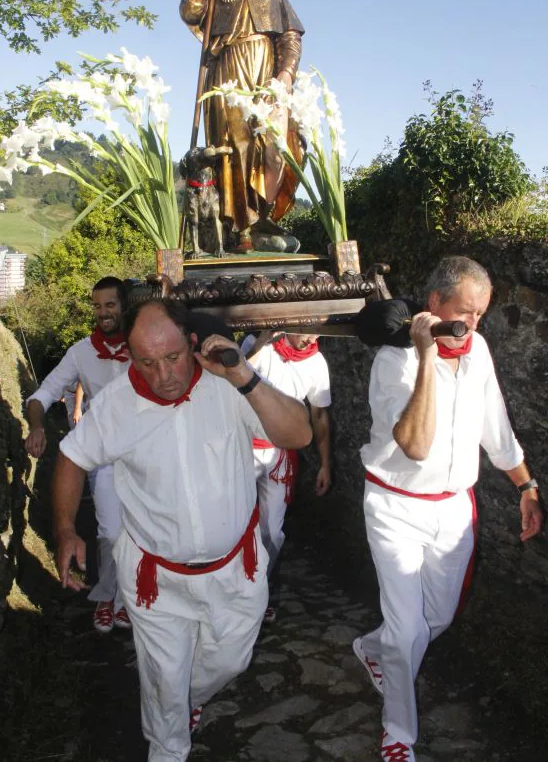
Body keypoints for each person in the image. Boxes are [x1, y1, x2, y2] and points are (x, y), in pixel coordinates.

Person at [52, 298, 312, 762]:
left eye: (172, 357)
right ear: (131, 357)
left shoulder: (229, 386)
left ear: (192, 344)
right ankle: (167, 742)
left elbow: (299, 435)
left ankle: (183, 701)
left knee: (231, 660)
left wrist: (243, 377)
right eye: (147, 363)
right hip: (156, 580)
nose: (164, 375)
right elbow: (73, 457)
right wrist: (66, 528)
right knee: (164, 678)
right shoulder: (116, 404)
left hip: (236, 568)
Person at [353, 256, 543, 761]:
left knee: (436, 617)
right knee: (408, 629)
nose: (473, 324)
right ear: (433, 305)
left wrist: (525, 485)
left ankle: (374, 649)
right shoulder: (395, 362)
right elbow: (414, 445)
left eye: (481, 313)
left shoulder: (477, 349)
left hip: (454, 508)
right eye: (465, 311)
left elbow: (494, 424)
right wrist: (427, 357)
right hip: (395, 507)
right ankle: (398, 733)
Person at [180, 0, 304, 252]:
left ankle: (264, 216)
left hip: (267, 75)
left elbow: (290, 37)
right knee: (234, 147)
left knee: (277, 144)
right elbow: (191, 14)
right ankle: (239, 228)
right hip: (228, 74)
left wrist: (285, 77)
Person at [25, 276, 131, 634]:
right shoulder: (81, 352)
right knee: (111, 532)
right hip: (103, 456)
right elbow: (42, 395)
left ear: (124, 306)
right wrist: (37, 425)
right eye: (97, 306)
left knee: (150, 532)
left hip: (147, 453)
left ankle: (131, 599)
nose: (103, 313)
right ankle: (106, 596)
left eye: (110, 305)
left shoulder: (144, 344)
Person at [241, 331, 332, 622]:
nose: (311, 337)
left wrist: (325, 464)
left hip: (280, 456)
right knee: (237, 524)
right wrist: (264, 337)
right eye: (305, 328)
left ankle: (259, 592)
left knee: (272, 532)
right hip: (242, 450)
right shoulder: (261, 348)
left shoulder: (317, 362)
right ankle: (235, 592)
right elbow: (236, 370)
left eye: (317, 328)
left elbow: (319, 415)